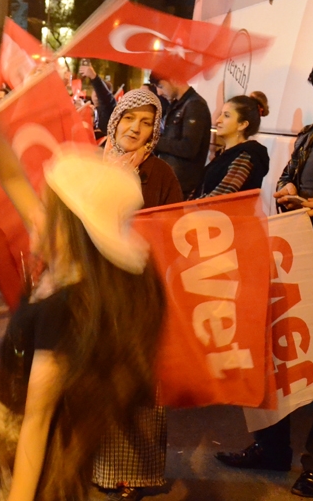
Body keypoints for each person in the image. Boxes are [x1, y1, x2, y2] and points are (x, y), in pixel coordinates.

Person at [0, 108, 165, 499]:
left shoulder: (64, 308)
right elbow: (12, 177)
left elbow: (37, 419)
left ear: (70, 226)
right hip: (28, 458)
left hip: (39, 473)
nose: (34, 214)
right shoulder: (64, 270)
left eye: (47, 207)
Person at [218, 54, 313, 498]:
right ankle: (271, 447)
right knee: (277, 355)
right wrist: (287, 189)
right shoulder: (312, 135)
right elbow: (287, 176)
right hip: (296, 258)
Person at [93, 89, 182, 500]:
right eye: (131, 118)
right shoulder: (91, 162)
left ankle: (133, 473)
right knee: (93, 379)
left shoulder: (161, 174)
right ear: (116, 119)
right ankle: (90, 462)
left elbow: (174, 232)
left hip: (139, 292)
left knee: (136, 385)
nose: (137, 128)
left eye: (148, 123)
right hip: (92, 287)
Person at [193, 92, 271, 198]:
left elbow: (221, 196)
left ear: (242, 124)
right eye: (221, 114)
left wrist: (191, 209)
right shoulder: (223, 153)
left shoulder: (246, 155)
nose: (218, 120)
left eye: (226, 116)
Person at [150, 73, 212, 197]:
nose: (159, 92)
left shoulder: (195, 105)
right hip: (170, 181)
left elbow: (189, 147)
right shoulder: (177, 105)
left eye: (161, 86)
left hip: (183, 186)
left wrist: (154, 141)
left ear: (173, 78)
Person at [79, 61, 115, 138]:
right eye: (94, 91)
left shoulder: (109, 111)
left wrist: (93, 77)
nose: (96, 94)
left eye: (98, 92)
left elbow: (105, 97)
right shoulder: (87, 107)